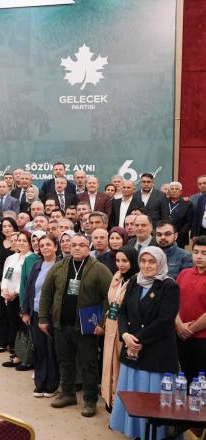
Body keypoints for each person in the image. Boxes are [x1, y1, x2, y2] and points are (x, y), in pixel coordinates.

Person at [39, 234, 112, 417]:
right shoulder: (59, 266)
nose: (77, 248)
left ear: (89, 247)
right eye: (74, 245)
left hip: (87, 327)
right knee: (65, 361)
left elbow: (110, 298)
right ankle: (68, 394)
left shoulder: (99, 269)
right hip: (61, 325)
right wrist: (43, 318)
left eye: (82, 245)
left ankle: (90, 400)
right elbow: (46, 293)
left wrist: (103, 323)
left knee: (88, 364)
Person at [110, 247, 180, 438]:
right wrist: (125, 335)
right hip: (132, 349)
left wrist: (136, 340)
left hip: (156, 352)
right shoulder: (134, 280)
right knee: (133, 393)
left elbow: (165, 321)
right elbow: (123, 311)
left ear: (161, 263)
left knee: (152, 401)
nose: (146, 266)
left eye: (152, 262)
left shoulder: (169, 286)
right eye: (143, 261)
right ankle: (136, 432)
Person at [100, 247, 138, 411]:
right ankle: (109, 398)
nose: (120, 264)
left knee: (121, 367)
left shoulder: (137, 280)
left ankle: (119, 404)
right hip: (111, 326)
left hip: (126, 329)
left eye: (125, 261)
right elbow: (109, 301)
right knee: (109, 362)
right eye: (118, 260)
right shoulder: (117, 276)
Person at [21, 235, 60, 398]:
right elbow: (29, 288)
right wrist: (25, 311)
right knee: (40, 349)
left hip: (52, 315)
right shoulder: (37, 265)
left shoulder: (60, 265)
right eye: (42, 245)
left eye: (48, 244)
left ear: (55, 247)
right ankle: (40, 382)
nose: (45, 248)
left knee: (52, 350)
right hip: (36, 313)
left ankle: (52, 385)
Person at [175, 235, 206, 382]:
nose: (199, 256)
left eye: (204, 253)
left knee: (200, 380)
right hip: (180, 335)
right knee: (183, 378)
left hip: (202, 338)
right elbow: (173, 302)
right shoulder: (184, 273)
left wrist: (190, 329)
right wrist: (179, 325)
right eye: (196, 252)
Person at [0, 232, 33, 368]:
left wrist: (16, 292)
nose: (21, 243)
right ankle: (15, 354)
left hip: (22, 297)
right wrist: (5, 291)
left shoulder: (31, 258)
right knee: (13, 326)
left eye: (24, 241)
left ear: (30, 243)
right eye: (19, 240)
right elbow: (5, 276)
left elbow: (28, 280)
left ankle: (24, 357)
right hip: (9, 297)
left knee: (23, 328)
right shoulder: (11, 257)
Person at [160, 181, 194, 248]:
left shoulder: (187, 204)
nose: (174, 191)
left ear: (181, 192)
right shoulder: (162, 202)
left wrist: (178, 234)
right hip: (163, 235)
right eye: (172, 189)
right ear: (169, 191)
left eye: (176, 189)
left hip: (180, 237)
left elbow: (189, 222)